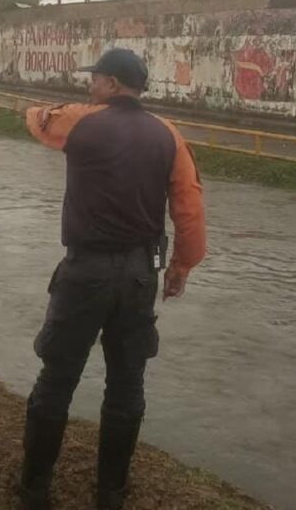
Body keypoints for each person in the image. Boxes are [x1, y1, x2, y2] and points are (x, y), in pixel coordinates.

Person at [19, 48, 207, 509]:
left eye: (95, 79)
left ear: (112, 84)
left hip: (85, 273)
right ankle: (111, 495)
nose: (90, 86)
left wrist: (50, 111)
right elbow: (189, 208)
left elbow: (35, 120)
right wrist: (181, 266)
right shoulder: (169, 135)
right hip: (141, 277)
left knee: (56, 380)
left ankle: (34, 491)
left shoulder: (80, 121)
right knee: (126, 387)